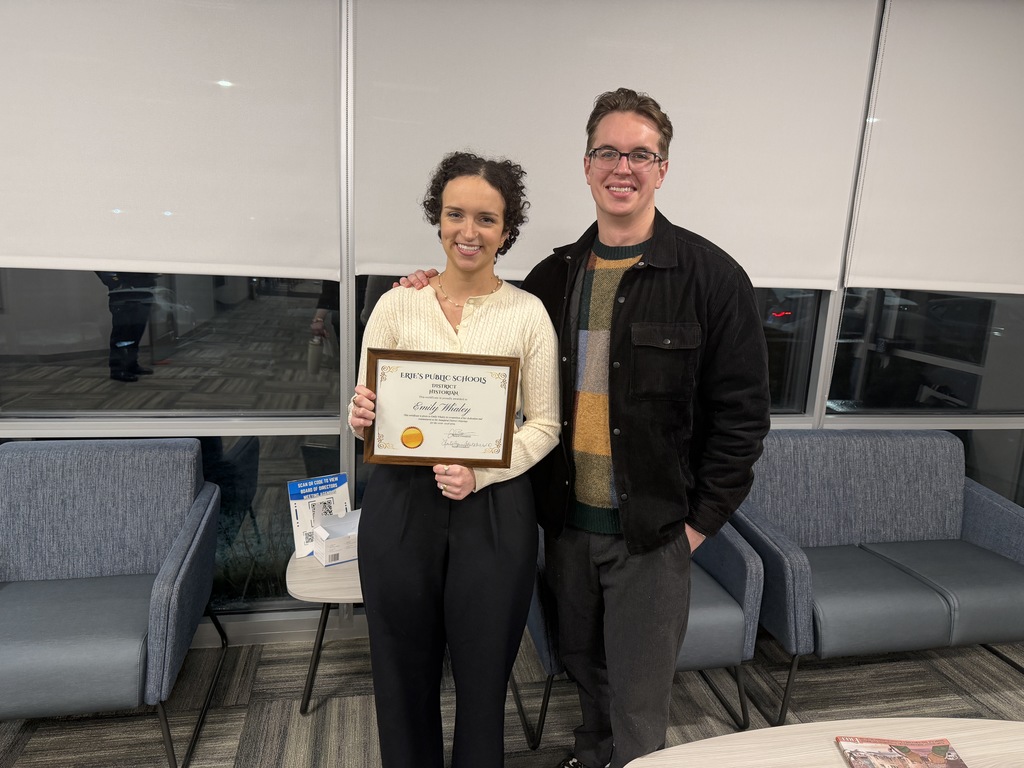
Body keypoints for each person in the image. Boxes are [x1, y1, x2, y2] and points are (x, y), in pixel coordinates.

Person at [400, 88, 771, 768]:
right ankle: (590, 755)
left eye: (640, 154)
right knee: (582, 670)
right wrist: (431, 287)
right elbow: (484, 333)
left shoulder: (712, 279)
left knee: (637, 696)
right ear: (586, 163)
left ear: (662, 168)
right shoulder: (553, 277)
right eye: (608, 151)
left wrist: (697, 526)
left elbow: (742, 421)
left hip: (652, 535)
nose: (621, 167)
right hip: (566, 526)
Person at [347, 151, 560, 767]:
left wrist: (483, 470)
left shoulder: (527, 314)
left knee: (484, 674)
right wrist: (361, 414)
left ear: (506, 229)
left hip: (493, 509)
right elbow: (370, 404)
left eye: (486, 219)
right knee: (400, 670)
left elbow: (545, 424)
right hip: (400, 503)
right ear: (437, 221)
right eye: (455, 215)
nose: (469, 231)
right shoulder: (396, 305)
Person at [95, 271, 157, 382]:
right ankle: (118, 369)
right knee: (122, 332)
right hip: (123, 293)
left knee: (136, 330)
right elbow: (102, 268)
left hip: (143, 290)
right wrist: (116, 283)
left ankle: (131, 364)